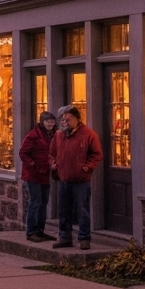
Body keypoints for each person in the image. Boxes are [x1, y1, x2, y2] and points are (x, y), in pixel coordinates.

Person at [49, 105, 103, 250]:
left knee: (82, 210)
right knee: (63, 210)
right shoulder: (59, 135)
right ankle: (65, 237)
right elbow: (52, 153)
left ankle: (84, 238)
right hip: (63, 178)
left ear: (77, 119)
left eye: (69, 119)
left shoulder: (88, 134)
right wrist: (53, 163)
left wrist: (86, 167)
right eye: (63, 119)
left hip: (80, 180)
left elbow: (97, 154)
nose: (65, 121)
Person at [18, 111, 56, 242]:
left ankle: (40, 230)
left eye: (52, 121)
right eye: (47, 121)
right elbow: (23, 153)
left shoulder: (53, 135)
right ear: (42, 122)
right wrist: (33, 164)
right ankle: (31, 231)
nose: (50, 124)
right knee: (36, 202)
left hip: (45, 173)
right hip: (33, 174)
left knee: (44, 202)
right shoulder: (34, 135)